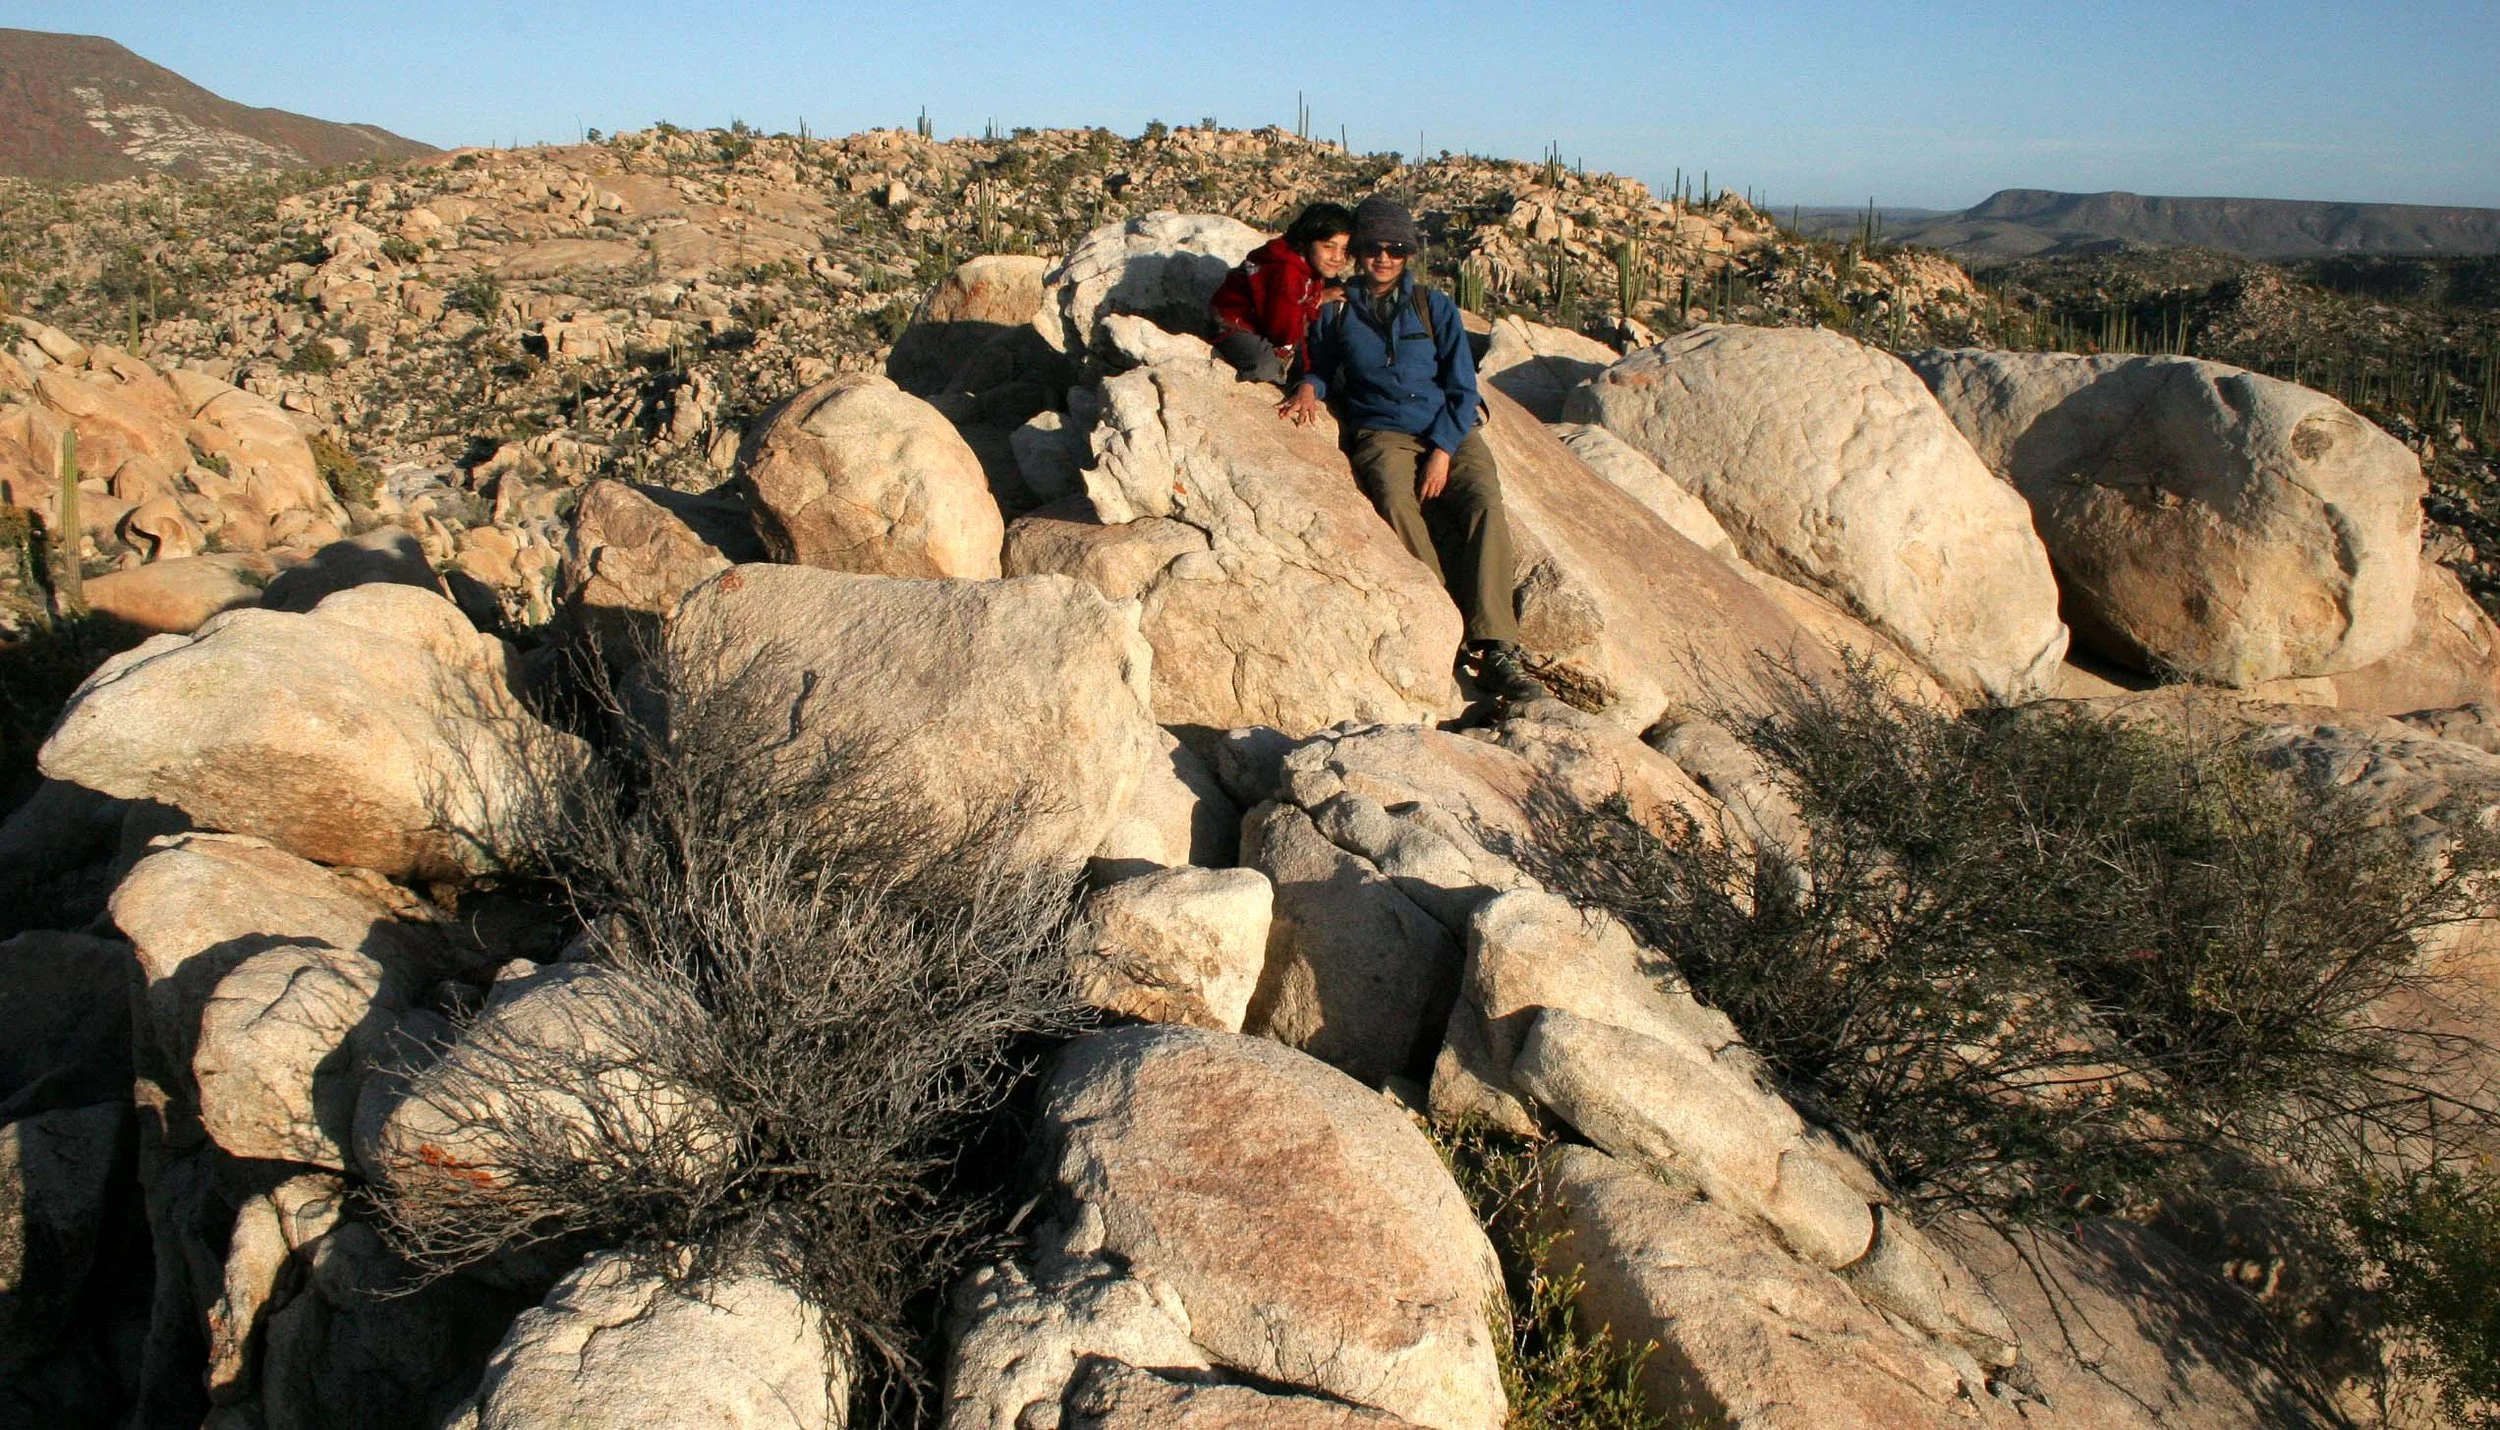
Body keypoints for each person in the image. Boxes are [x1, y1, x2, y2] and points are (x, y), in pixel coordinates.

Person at [1283, 196, 1547, 702]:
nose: (1384, 257)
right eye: (1373, 247)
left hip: (1445, 425)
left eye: (1396, 248)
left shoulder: (1434, 306)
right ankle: (1445, 621)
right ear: (1359, 251)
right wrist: (1309, 386)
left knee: (1483, 503)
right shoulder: (1336, 310)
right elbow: (1319, 363)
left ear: (1408, 254)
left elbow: (1463, 385)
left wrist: (1444, 451)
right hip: (1382, 431)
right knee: (1395, 500)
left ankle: (1496, 647)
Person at [1209, 202, 1354, 385]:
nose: (1338, 257)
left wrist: (1321, 297)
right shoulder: (1285, 271)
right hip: (1237, 322)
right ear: (1308, 241)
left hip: (1268, 318)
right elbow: (1283, 326)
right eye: (1328, 247)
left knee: (1314, 356)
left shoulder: (1307, 264)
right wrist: (1287, 350)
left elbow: (1294, 305)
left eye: (1344, 249)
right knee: (1265, 366)